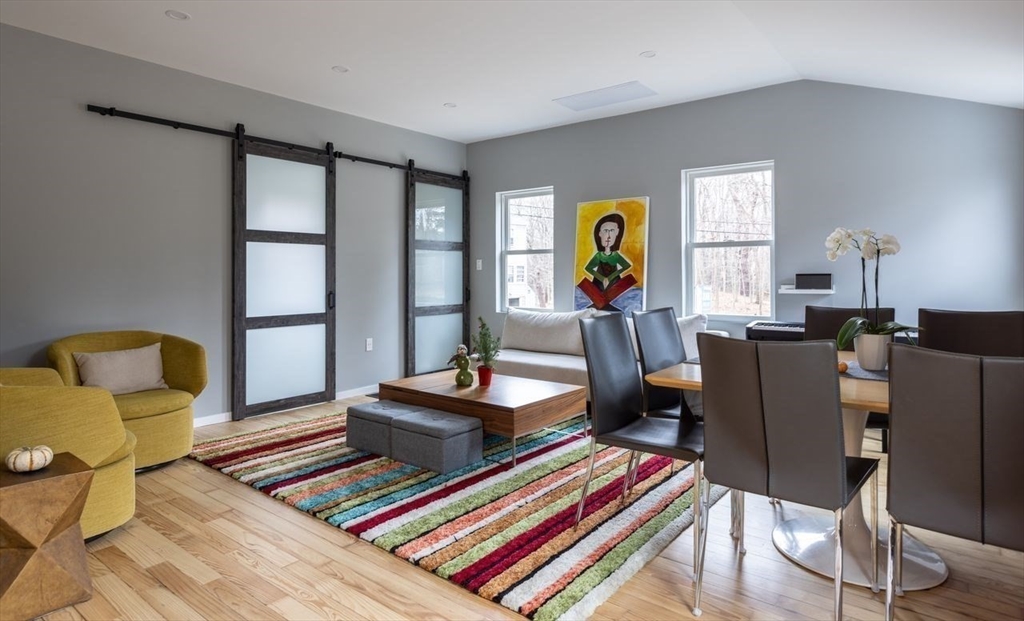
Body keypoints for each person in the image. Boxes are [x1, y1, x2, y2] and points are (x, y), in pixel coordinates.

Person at [584, 213, 631, 292]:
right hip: (598, 286)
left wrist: (610, 277)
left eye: (612, 231)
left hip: (615, 286)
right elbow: (588, 268)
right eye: (605, 231)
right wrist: (602, 279)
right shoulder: (599, 256)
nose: (608, 236)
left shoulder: (615, 255)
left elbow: (626, 265)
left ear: (617, 233)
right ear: (599, 234)